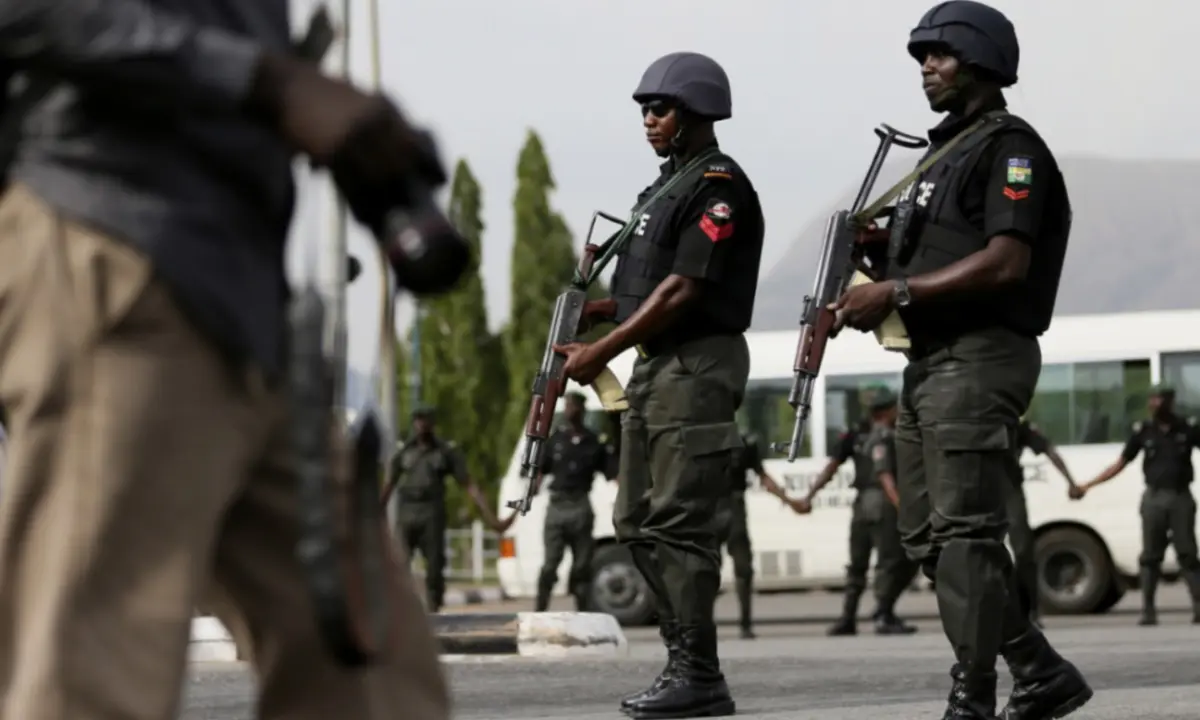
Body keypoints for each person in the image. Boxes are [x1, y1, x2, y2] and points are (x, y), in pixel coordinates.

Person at [0, 4, 458, 719]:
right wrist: (272, 84)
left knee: (371, 664)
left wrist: (354, 138)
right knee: (92, 679)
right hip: (118, 250)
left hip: (245, 295)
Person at [829, 2, 1092, 717]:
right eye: (921, 58)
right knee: (925, 535)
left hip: (980, 357)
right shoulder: (940, 157)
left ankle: (973, 697)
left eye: (939, 56)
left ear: (978, 61)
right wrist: (876, 259)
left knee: (967, 533)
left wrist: (896, 286)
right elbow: (936, 250)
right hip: (929, 362)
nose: (925, 70)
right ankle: (1038, 668)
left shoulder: (1011, 150)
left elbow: (1005, 262)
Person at [553, 51, 763, 720]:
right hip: (656, 365)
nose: (648, 119)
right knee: (634, 520)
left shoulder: (717, 187)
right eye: (644, 109)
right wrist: (603, 311)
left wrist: (600, 352)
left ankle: (699, 673)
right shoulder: (663, 191)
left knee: (678, 523)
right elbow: (648, 291)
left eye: (661, 108)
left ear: (697, 113)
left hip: (696, 365)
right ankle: (685, 661)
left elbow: (684, 290)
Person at [1076, 384, 1200, 626]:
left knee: (1188, 554)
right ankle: (1148, 610)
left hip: (1180, 499)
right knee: (1150, 557)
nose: (1154, 404)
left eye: (1159, 399)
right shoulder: (1144, 431)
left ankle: (1198, 607)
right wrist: (1088, 485)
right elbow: (1120, 463)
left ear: (1170, 401)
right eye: (1152, 399)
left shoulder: (1188, 428)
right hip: (1153, 499)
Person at [812, 390, 920, 637]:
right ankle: (883, 614)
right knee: (890, 561)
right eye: (895, 408)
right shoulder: (889, 435)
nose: (899, 412)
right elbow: (885, 476)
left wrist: (810, 496)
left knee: (857, 564)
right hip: (883, 503)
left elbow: (831, 466)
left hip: (861, 505)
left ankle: (848, 617)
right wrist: (903, 508)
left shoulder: (855, 433)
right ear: (885, 411)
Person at [387, 406, 510, 613]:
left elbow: (469, 485)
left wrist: (491, 518)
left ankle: (434, 611)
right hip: (407, 512)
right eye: (417, 419)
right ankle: (399, 613)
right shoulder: (404, 452)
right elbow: (387, 486)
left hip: (431, 513)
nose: (420, 424)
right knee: (399, 564)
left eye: (425, 419)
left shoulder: (445, 452)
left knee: (435, 567)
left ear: (432, 423)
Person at [534, 391, 616, 612]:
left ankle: (582, 612)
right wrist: (531, 489)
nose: (570, 410)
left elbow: (612, 473)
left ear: (582, 409)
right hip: (557, 506)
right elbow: (541, 470)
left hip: (580, 506)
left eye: (573, 406)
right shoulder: (555, 440)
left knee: (582, 566)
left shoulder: (594, 442)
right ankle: (540, 610)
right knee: (550, 563)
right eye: (567, 405)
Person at [714, 431, 797, 639]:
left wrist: (788, 501)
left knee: (739, 569)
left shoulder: (740, 442)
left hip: (723, 507)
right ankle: (737, 625)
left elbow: (763, 477)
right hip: (720, 507)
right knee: (717, 571)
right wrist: (790, 501)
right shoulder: (739, 441)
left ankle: (741, 624)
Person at [1009, 417, 1082, 627]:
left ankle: (1030, 611)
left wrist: (1070, 481)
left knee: (1024, 551)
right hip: (980, 490)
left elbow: (1049, 450)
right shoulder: (979, 418)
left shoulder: (1016, 423)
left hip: (1010, 491)